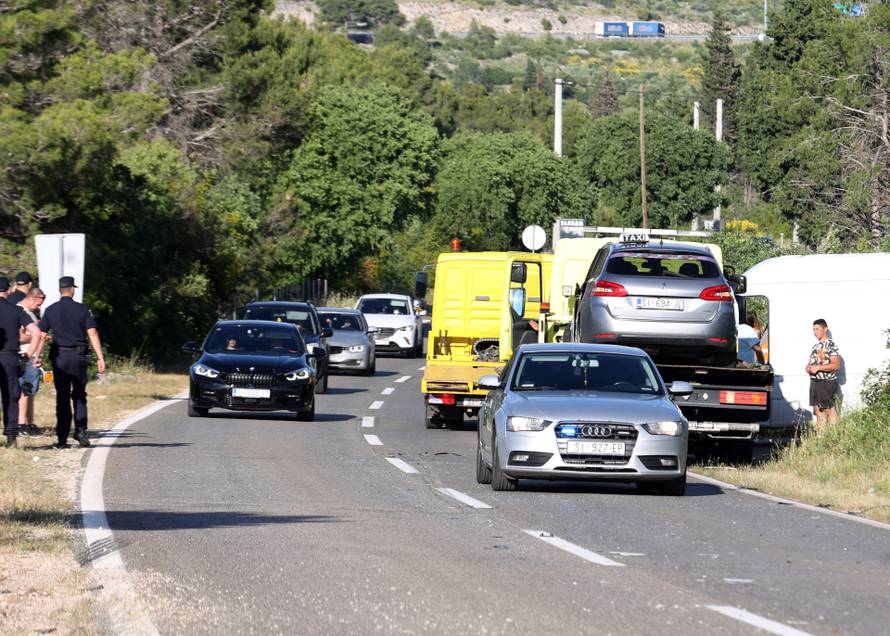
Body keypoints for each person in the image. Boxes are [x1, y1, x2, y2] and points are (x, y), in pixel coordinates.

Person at [38, 277, 106, 448]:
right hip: (78, 357)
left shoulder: (50, 310)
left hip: (60, 357)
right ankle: (81, 431)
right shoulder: (83, 309)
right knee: (79, 394)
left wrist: (37, 356)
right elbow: (92, 333)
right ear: (73, 290)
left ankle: (62, 438)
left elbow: (41, 335)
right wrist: (100, 357)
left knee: (62, 396)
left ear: (60, 290)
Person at [0, 286, 42, 448]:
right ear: (7, 291)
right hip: (10, 358)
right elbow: (36, 333)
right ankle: (11, 437)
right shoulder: (16, 310)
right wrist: (28, 355)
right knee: (11, 397)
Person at [17, 288, 46, 436]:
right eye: (39, 303)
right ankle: (21, 424)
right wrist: (37, 337)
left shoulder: (29, 313)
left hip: (32, 355)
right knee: (26, 390)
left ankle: (29, 422)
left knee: (31, 391)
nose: (39, 307)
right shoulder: (20, 312)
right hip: (26, 355)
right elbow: (19, 337)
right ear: (33, 298)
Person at [806, 318, 841, 431]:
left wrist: (818, 368)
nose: (815, 332)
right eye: (813, 329)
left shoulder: (831, 345)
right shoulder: (815, 346)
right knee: (818, 411)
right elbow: (810, 363)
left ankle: (834, 435)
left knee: (829, 410)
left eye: (817, 329)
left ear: (825, 329)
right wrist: (808, 367)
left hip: (827, 382)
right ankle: (820, 437)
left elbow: (836, 365)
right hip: (815, 382)